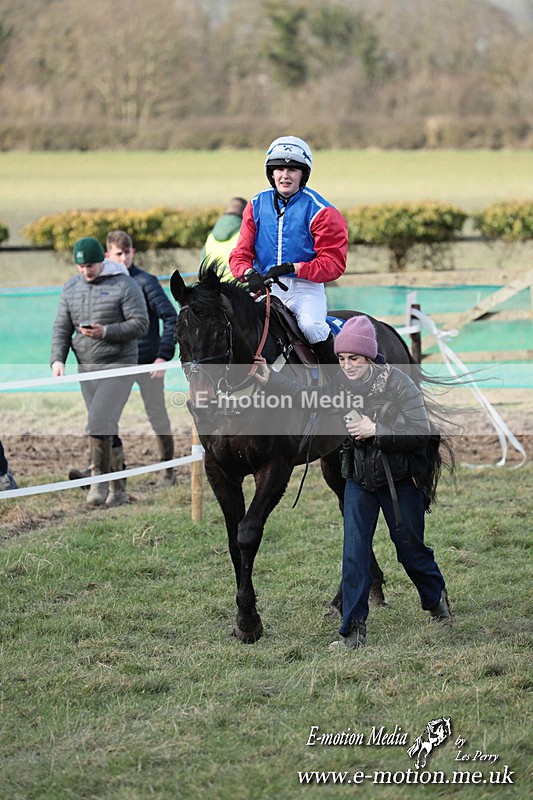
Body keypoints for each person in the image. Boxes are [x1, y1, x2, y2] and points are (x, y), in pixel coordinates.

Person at [254, 314, 451, 649]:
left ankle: (435, 598)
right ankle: (353, 631)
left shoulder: (399, 384)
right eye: (342, 358)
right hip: (359, 481)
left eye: (354, 358)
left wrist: (378, 431)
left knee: (411, 552)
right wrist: (270, 378)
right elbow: (307, 395)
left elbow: (420, 431)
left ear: (370, 357)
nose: (346, 365)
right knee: (355, 555)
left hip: (400, 482)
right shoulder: (340, 385)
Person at [229, 136, 348, 363]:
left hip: (305, 290)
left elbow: (334, 264)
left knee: (312, 327)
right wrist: (247, 273)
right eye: (279, 169)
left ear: (303, 174)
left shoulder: (322, 211)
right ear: (271, 173)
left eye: (292, 169)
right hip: (266, 289)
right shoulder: (255, 205)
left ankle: (335, 383)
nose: (285, 175)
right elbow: (240, 254)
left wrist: (293, 268)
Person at [51, 236, 148, 507]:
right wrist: (57, 360)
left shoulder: (124, 284)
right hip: (87, 368)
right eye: (81, 266)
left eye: (91, 265)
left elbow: (141, 324)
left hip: (119, 364)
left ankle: (98, 481)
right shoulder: (70, 288)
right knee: (106, 425)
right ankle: (119, 490)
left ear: (102, 261)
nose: (86, 271)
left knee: (97, 420)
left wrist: (105, 332)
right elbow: (61, 327)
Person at [201, 197, 247, 280]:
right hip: (239, 288)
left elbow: (202, 268)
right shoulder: (245, 234)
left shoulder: (211, 237)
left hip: (215, 289)